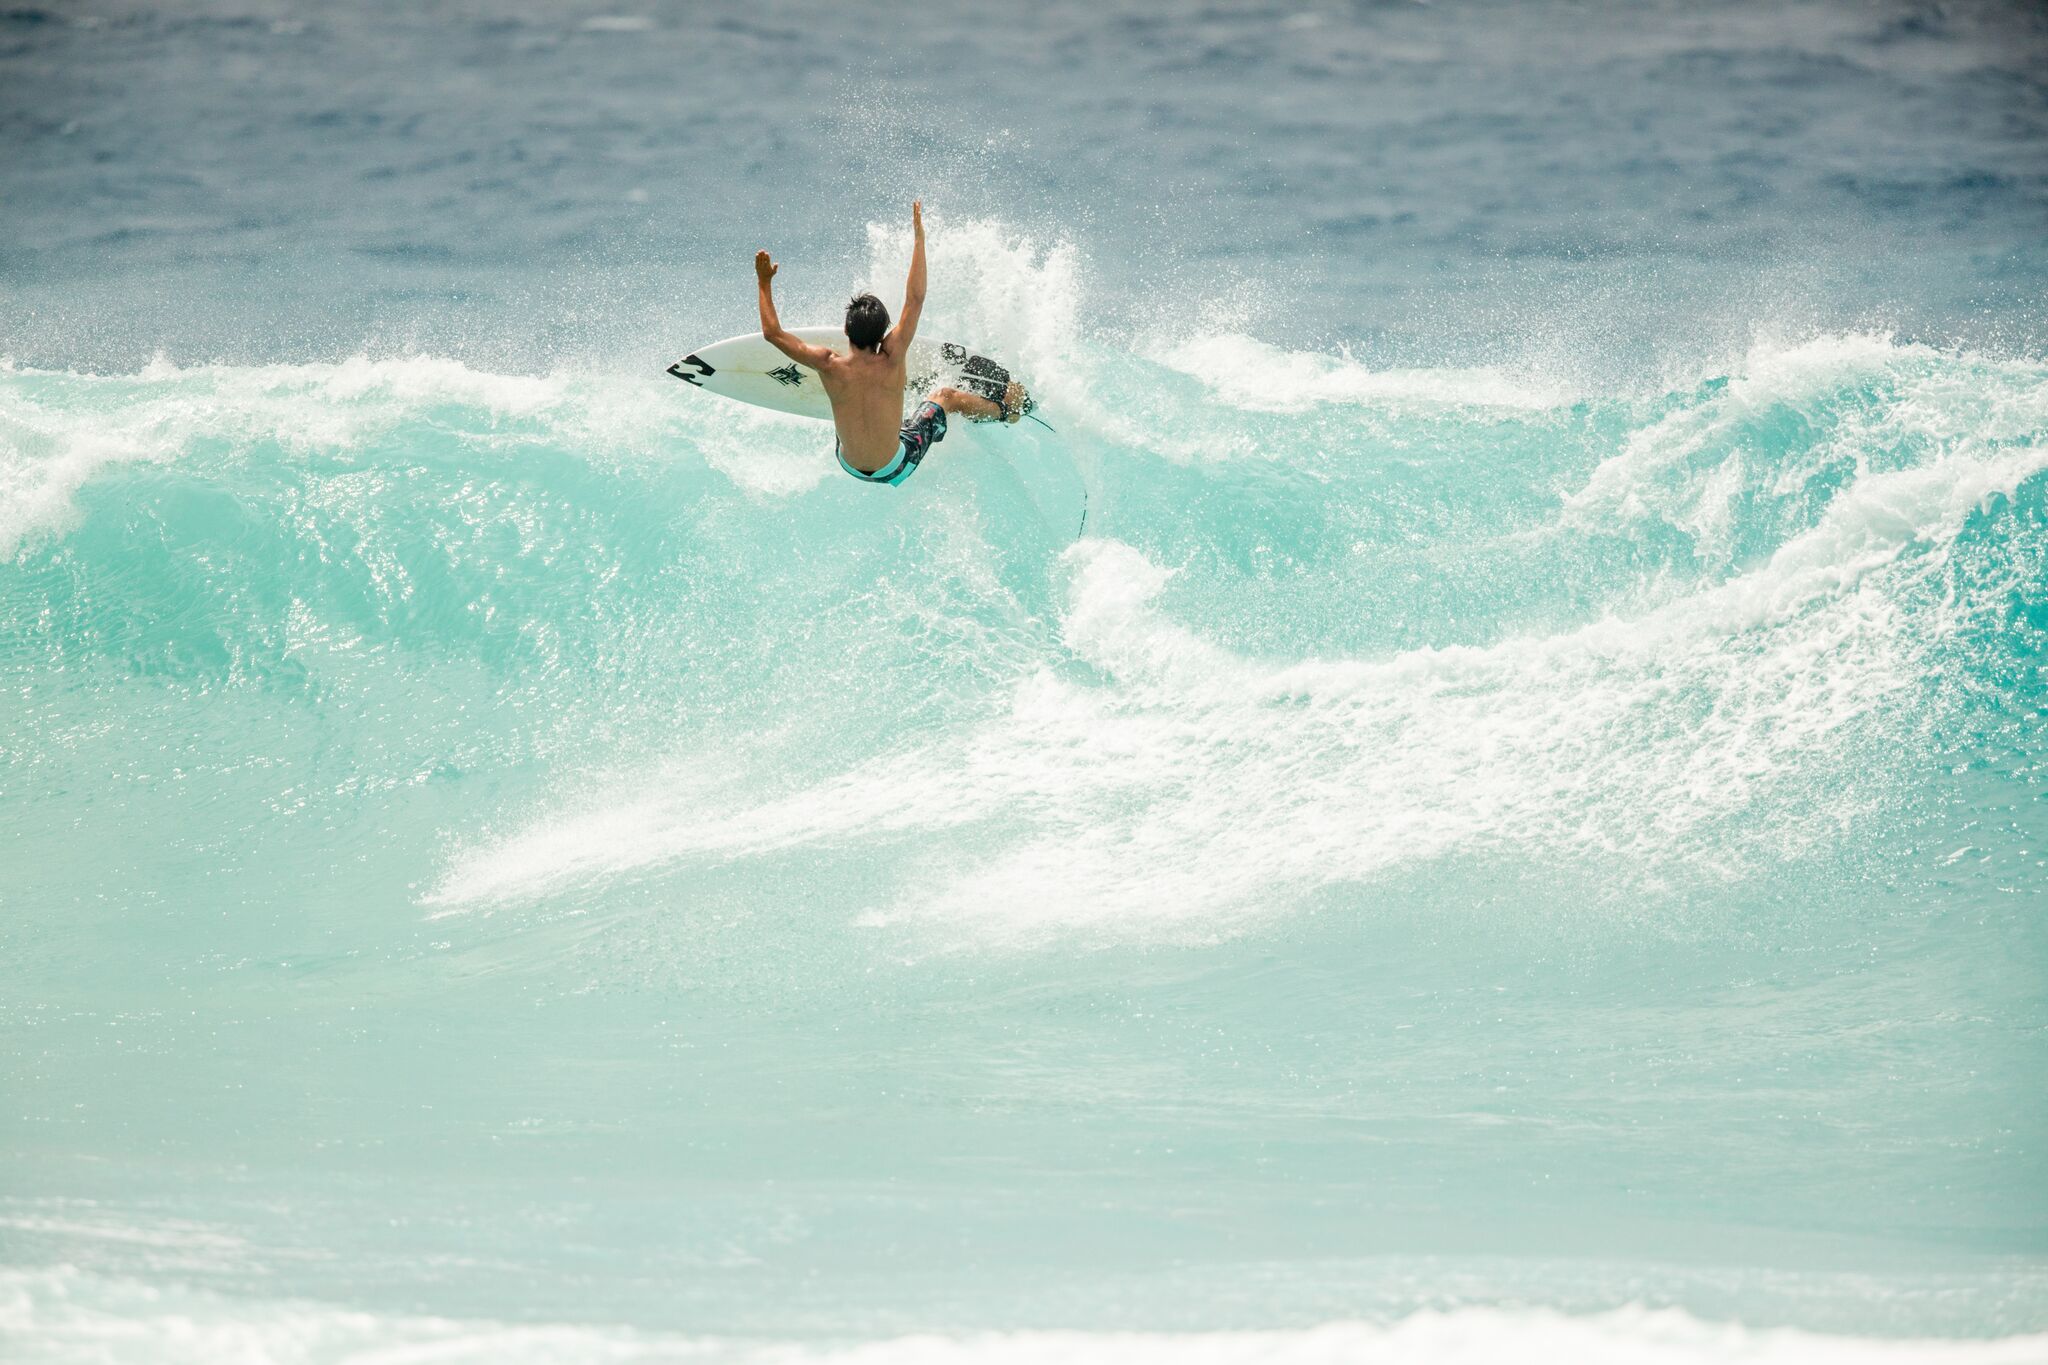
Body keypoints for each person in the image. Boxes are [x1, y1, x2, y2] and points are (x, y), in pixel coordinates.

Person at [755, 202, 1023, 486]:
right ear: (884, 334)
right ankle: (1006, 411)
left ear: (846, 330)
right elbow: (915, 299)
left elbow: (772, 333)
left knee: (838, 396)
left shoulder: (827, 364)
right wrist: (920, 239)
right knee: (945, 396)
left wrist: (764, 282)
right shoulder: (893, 354)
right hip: (898, 465)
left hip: (848, 464)